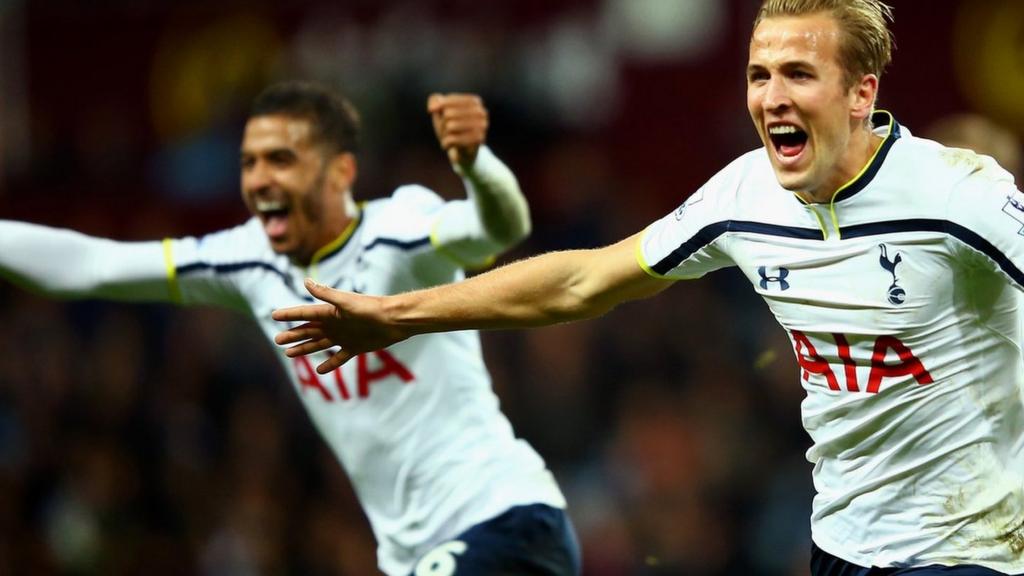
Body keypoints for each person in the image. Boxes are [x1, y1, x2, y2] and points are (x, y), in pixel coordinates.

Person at [273, 2, 1024, 575]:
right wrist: (401, 316)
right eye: (760, 75)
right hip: (842, 546)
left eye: (800, 75)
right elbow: (582, 281)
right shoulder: (745, 196)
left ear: (861, 94)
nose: (772, 98)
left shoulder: (956, 195)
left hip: (973, 548)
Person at [0, 82, 580, 576]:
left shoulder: (397, 230)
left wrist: (478, 165)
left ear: (340, 172)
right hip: (415, 554)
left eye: (282, 159)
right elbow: (92, 266)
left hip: (505, 520)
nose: (259, 179)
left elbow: (498, 229)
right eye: (250, 162)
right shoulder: (250, 261)